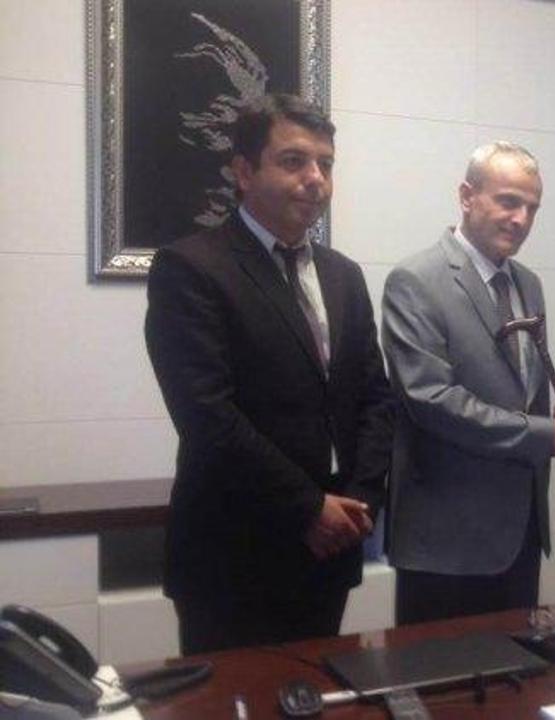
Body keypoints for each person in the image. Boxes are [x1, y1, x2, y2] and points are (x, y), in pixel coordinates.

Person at [144, 93, 393, 655]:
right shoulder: (191, 268)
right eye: (293, 161)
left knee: (318, 691)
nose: (315, 179)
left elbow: (375, 398)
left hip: (330, 549)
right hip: (234, 558)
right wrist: (309, 509)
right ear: (243, 172)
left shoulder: (344, 276)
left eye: (326, 164)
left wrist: (358, 503)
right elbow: (207, 416)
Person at [381, 142, 555, 624]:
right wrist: (542, 434)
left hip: (520, 535)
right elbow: (431, 400)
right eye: (509, 201)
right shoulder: (415, 280)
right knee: (441, 672)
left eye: (532, 207)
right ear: (466, 196)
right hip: (446, 545)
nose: (521, 219)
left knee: (517, 666)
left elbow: (521, 390)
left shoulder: (528, 284)